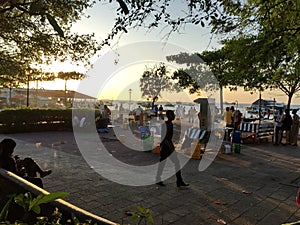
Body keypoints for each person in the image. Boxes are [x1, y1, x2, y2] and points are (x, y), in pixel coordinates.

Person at [156, 110, 189, 188]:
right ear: (169, 116)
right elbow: (166, 138)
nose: (174, 116)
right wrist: (171, 149)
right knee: (175, 163)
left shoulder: (168, 124)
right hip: (167, 146)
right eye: (172, 114)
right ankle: (179, 181)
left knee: (163, 163)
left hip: (165, 146)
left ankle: (160, 179)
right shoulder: (168, 125)